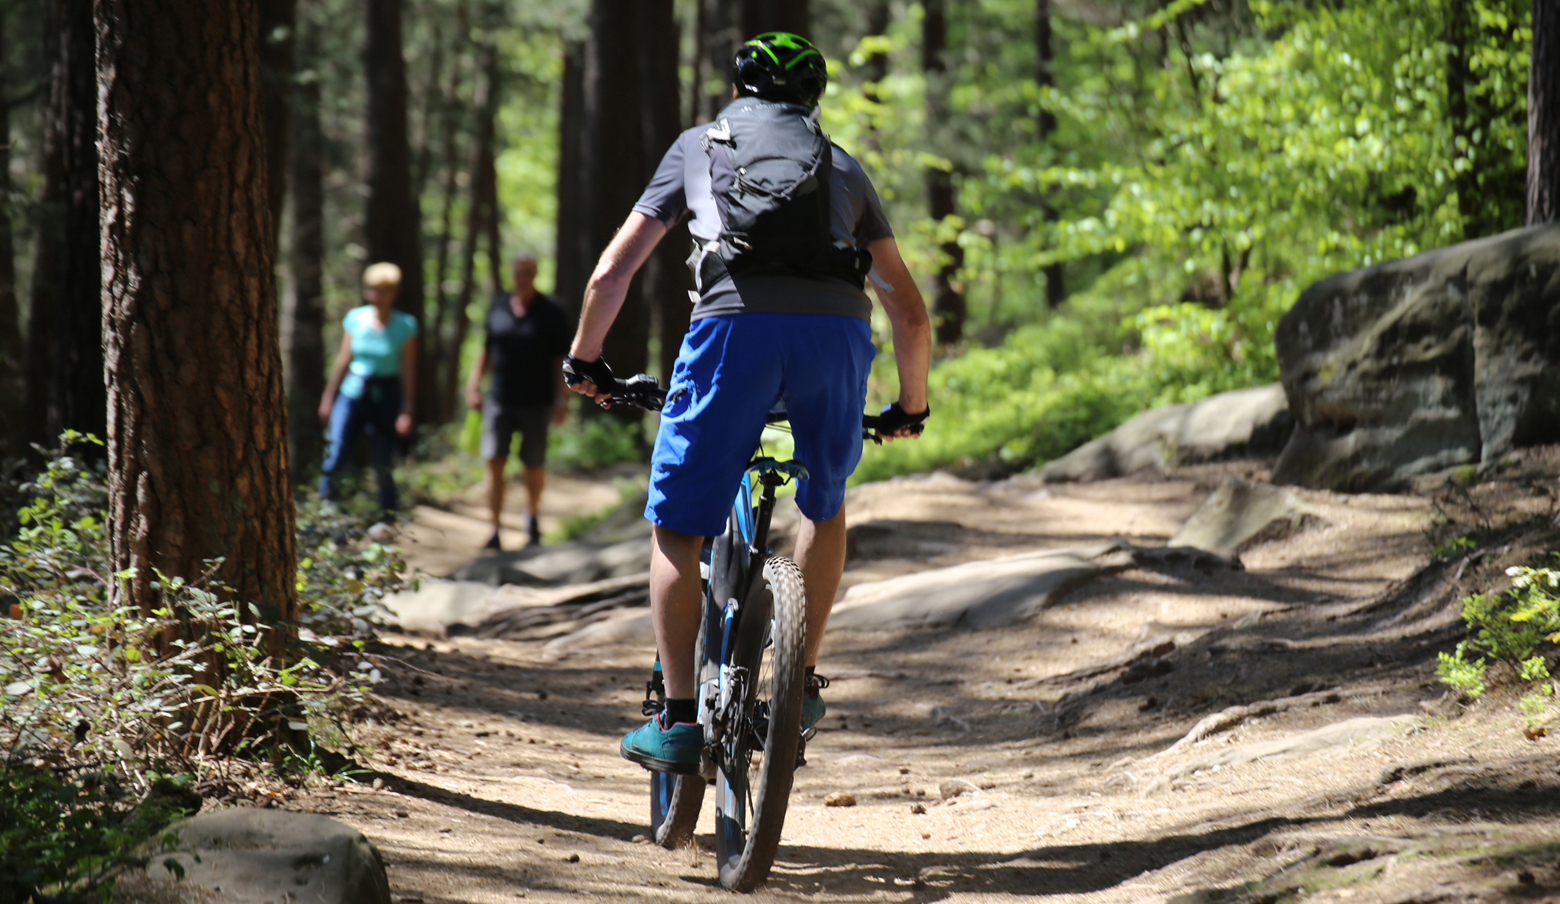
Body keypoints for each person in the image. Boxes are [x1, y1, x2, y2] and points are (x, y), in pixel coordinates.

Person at [563, 32, 932, 774]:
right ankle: (796, 686)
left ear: (739, 88)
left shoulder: (698, 147)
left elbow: (611, 273)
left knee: (677, 523)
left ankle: (674, 720)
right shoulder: (842, 167)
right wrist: (908, 407)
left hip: (732, 331)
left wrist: (586, 362)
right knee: (824, 507)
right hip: (834, 336)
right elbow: (909, 310)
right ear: (813, 97)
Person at [464, 255, 573, 549]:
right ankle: (494, 528)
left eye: (528, 272)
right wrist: (474, 385)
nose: (522, 277)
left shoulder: (552, 311)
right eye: (518, 272)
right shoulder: (498, 305)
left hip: (537, 401)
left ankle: (532, 518)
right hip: (499, 398)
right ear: (512, 274)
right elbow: (486, 348)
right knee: (494, 461)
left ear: (535, 274)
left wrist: (561, 400)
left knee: (533, 465)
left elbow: (560, 359)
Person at [318, 262, 418, 515]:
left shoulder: (405, 325)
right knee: (337, 449)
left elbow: (407, 369)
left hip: (385, 396)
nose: (377, 296)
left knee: (382, 459)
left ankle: (387, 516)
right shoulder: (356, 319)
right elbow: (343, 360)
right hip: (352, 392)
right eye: (372, 289)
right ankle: (325, 513)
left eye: (383, 290)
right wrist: (329, 397)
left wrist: (407, 409)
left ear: (394, 293)